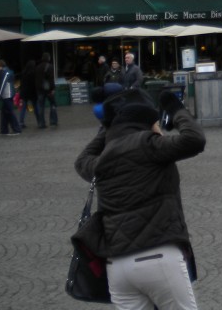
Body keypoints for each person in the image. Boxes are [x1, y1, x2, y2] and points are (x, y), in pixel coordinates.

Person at [75, 88, 206, 310]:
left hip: (117, 266)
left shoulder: (102, 161)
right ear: (149, 123)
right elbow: (195, 139)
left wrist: (109, 128)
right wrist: (176, 109)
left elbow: (81, 161)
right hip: (159, 255)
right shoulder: (150, 145)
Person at [0, 59, 21, 136]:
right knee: (4, 113)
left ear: (0, 66)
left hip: (7, 95)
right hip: (8, 94)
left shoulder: (4, 73)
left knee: (10, 113)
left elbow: (2, 84)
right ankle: (4, 130)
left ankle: (16, 129)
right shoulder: (9, 71)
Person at [36, 52, 58, 128]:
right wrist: (53, 88)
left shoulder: (38, 67)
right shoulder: (50, 66)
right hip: (48, 90)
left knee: (41, 106)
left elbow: (36, 79)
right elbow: (51, 79)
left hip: (40, 90)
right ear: (48, 58)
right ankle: (53, 121)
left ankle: (41, 123)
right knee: (52, 104)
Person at [18, 59, 42, 128]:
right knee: (36, 108)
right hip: (33, 93)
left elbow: (21, 84)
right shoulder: (34, 73)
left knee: (23, 108)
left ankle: (21, 122)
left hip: (24, 93)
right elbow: (36, 84)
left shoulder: (23, 73)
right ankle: (39, 122)